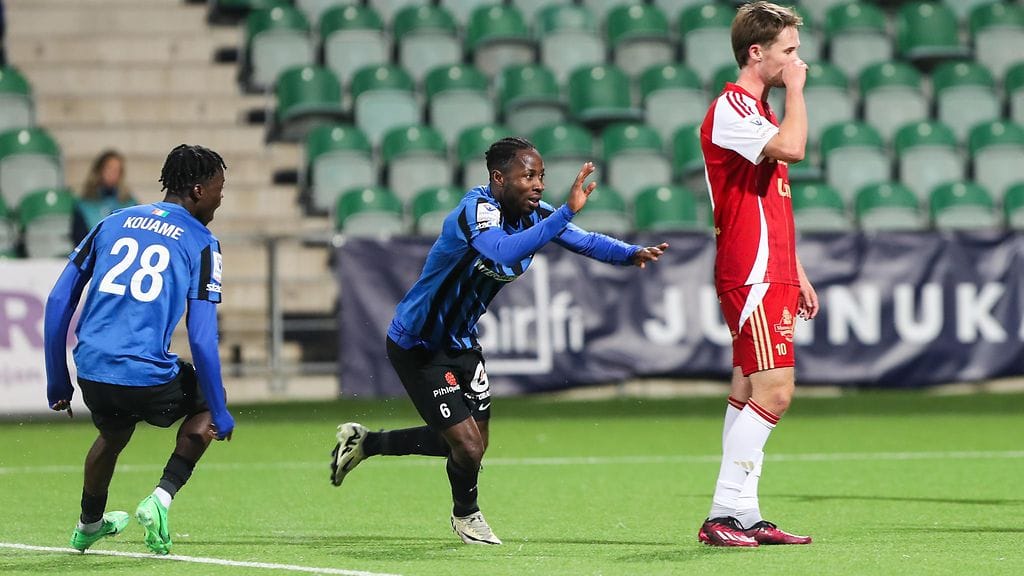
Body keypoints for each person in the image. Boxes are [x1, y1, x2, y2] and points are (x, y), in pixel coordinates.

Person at [329, 137, 669, 545]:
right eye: (528, 175)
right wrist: (563, 214)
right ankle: (466, 517)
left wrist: (631, 253)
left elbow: (584, 240)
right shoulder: (476, 212)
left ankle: (367, 443)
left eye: (541, 176)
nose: (539, 184)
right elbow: (500, 250)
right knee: (468, 448)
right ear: (498, 178)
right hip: (419, 344)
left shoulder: (533, 215)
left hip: (462, 342)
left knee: (472, 445)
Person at [44, 144, 235, 555]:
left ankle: (88, 524)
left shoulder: (113, 220)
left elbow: (59, 301)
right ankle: (161, 499)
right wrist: (219, 410)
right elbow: (201, 339)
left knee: (112, 433)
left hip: (92, 372)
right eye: (220, 188)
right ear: (199, 191)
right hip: (147, 374)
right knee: (206, 404)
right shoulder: (203, 242)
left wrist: (57, 378)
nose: (222, 197)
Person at [696, 1, 820, 547]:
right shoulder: (733, 108)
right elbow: (795, 148)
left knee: (748, 387)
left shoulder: (759, 115)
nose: (800, 61)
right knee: (777, 391)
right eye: (790, 51)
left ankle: (743, 514)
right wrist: (796, 89)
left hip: (772, 268)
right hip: (752, 269)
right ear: (757, 52)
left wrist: (798, 272)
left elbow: (771, 201)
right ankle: (722, 513)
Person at [72, 150, 137, 245]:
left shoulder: (130, 204)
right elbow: (79, 240)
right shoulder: (84, 206)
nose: (113, 174)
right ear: (99, 170)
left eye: (117, 170)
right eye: (109, 168)